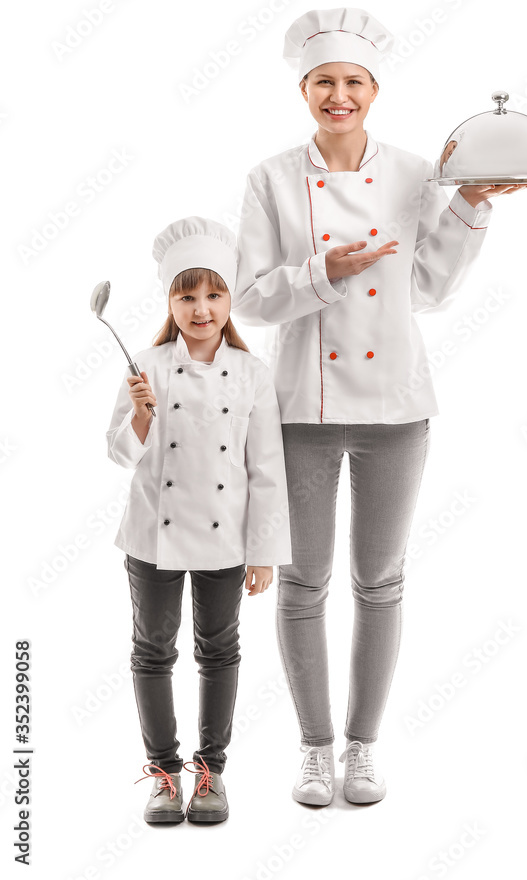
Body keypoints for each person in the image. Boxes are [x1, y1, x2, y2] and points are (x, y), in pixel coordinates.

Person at [232, 7, 527, 807]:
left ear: (374, 89)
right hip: (300, 407)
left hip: (396, 406)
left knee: (380, 581)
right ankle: (313, 748)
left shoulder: (411, 174)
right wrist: (325, 270)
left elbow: (429, 287)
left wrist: (471, 203)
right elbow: (255, 301)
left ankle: (363, 749)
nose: (340, 95)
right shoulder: (268, 178)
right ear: (304, 89)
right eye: (325, 82)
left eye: (354, 82)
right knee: (303, 583)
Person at [105, 217, 292, 825]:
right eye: (187, 295)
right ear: (169, 301)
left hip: (226, 533)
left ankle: (211, 772)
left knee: (219, 650)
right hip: (151, 535)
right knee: (153, 649)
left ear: (230, 298)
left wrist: (264, 550)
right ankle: (163, 774)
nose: (201, 308)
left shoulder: (253, 373)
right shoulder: (147, 368)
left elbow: (265, 468)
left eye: (212, 294)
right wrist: (138, 417)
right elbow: (118, 453)